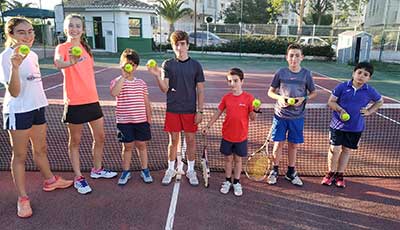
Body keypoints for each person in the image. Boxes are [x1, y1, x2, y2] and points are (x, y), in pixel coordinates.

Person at [0, 17, 73, 218]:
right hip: (19, 111)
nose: (28, 36)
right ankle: (22, 199)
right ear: (11, 35)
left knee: (40, 149)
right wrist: (15, 67)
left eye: (31, 31)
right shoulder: (7, 56)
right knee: (20, 156)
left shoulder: (31, 55)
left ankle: (50, 180)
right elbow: (14, 92)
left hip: (38, 107)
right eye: (22, 32)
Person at [54, 14, 117, 195]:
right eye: (71, 26)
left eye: (77, 26)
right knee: (75, 141)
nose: (74, 29)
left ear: (82, 29)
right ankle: (78, 177)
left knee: (101, 137)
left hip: (92, 100)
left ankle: (97, 169)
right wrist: (70, 62)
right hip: (74, 102)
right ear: (65, 29)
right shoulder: (62, 47)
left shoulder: (85, 48)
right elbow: (59, 62)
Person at [147, 30, 205, 186]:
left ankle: (190, 170)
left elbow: (200, 90)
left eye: (182, 44)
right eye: (176, 44)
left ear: (187, 45)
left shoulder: (196, 65)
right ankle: (171, 169)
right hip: (173, 109)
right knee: (173, 141)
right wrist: (156, 75)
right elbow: (165, 88)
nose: (180, 47)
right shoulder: (168, 64)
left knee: (191, 141)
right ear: (172, 46)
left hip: (190, 110)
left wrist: (200, 111)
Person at [321, 62, 383, 188]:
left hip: (356, 127)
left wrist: (369, 111)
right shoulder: (342, 87)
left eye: (365, 74)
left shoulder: (369, 90)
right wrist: (340, 110)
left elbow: (379, 101)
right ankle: (330, 173)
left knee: (346, 150)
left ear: (368, 78)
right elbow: (331, 102)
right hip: (337, 125)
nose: (361, 76)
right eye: (359, 72)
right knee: (335, 149)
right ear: (353, 73)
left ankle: (340, 175)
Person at [202, 68, 259, 196]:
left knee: (238, 160)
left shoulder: (249, 98)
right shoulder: (226, 98)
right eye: (229, 81)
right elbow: (218, 113)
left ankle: (237, 182)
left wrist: (255, 110)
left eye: (235, 81)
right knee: (228, 160)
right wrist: (208, 125)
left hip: (241, 137)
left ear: (242, 81)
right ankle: (227, 181)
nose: (232, 84)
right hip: (227, 136)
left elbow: (253, 118)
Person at [267, 43, 317, 186]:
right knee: (278, 144)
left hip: (297, 117)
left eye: (297, 55)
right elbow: (270, 92)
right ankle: (274, 170)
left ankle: (291, 172)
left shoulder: (306, 74)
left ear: (302, 57)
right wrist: (280, 98)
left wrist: (304, 98)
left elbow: (313, 93)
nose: (294, 58)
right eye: (291, 55)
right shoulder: (280, 72)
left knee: (293, 146)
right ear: (286, 58)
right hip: (280, 116)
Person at [110, 49, 153, 185]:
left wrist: (149, 118)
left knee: (142, 145)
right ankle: (126, 171)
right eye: (127, 63)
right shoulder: (117, 81)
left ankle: (145, 170)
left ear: (136, 67)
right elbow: (114, 93)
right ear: (121, 64)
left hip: (141, 121)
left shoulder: (141, 83)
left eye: (133, 64)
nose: (130, 66)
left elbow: (146, 102)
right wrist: (123, 77)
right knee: (127, 146)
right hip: (124, 122)